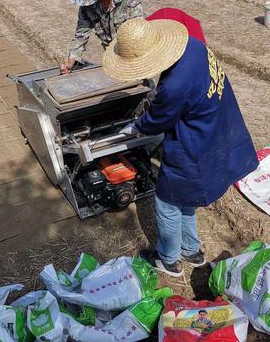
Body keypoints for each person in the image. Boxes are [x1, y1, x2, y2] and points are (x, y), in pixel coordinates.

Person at [102, 18, 258, 277]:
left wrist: (136, 126)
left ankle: (169, 259)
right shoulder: (195, 47)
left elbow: (157, 121)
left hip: (196, 144)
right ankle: (191, 249)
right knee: (186, 197)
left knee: (167, 200)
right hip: (218, 126)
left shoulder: (174, 86)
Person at [60, 0, 144, 74]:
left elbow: (137, 28)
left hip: (134, 51)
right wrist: (71, 60)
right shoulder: (87, 5)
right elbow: (81, 34)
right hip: (111, 56)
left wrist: (128, 63)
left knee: (141, 84)